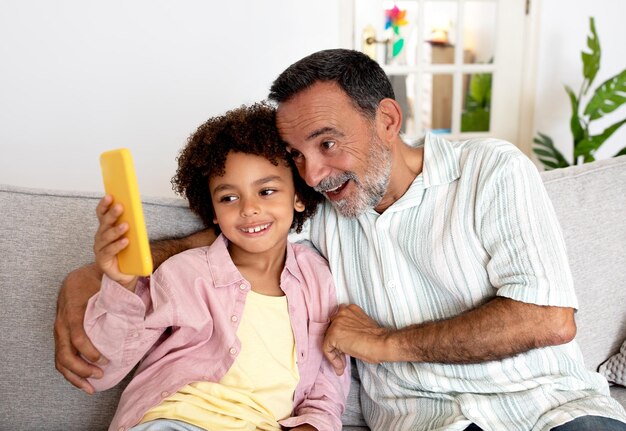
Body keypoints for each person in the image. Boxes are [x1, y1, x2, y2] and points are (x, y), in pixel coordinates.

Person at [55, 49, 626, 431]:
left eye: (328, 143)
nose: (315, 172)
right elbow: (242, 228)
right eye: (299, 157)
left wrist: (383, 343)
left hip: (552, 414)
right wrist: (106, 270)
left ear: (387, 120)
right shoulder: (324, 210)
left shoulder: (490, 170)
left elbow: (547, 319)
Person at [81, 102, 349, 431]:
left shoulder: (317, 279)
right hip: (176, 420)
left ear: (299, 196)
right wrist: (120, 283)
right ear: (212, 211)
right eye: (229, 198)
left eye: (266, 191)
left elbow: (328, 383)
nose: (250, 209)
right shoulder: (184, 275)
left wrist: (315, 424)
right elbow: (104, 369)